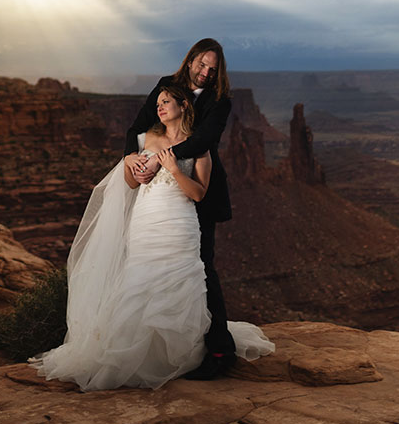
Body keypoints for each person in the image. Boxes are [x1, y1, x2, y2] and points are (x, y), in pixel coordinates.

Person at [34, 82, 272, 390]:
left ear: (183, 106)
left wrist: (174, 170)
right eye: (157, 103)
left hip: (180, 222)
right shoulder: (146, 138)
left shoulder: (199, 147)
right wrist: (129, 164)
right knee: (140, 280)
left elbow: (198, 194)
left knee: (180, 279)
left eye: (166, 102)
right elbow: (132, 185)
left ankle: (180, 355)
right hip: (146, 221)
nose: (159, 107)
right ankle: (137, 354)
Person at [124, 38, 237, 380]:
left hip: (196, 187)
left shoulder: (220, 101)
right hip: (158, 200)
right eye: (202, 64)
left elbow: (203, 142)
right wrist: (132, 157)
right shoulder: (165, 88)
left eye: (213, 69)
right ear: (190, 61)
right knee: (156, 268)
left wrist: (161, 162)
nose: (206, 73)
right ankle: (164, 347)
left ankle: (220, 350)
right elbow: (137, 128)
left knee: (202, 268)